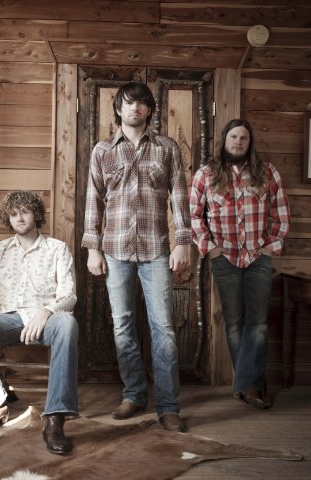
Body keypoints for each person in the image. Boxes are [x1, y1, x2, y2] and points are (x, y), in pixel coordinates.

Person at [82, 81, 190, 432]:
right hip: (114, 251)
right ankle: (134, 394)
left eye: (141, 103)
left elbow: (179, 196)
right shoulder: (102, 151)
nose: (135, 108)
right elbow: (93, 201)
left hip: (156, 250)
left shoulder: (167, 148)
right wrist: (93, 248)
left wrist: (183, 242)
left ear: (149, 110)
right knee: (123, 326)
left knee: (164, 328)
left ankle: (168, 406)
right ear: (118, 109)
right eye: (128, 103)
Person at [0, 191, 79, 455]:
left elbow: (69, 296)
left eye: (25, 211)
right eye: (13, 214)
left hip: (47, 320)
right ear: (8, 218)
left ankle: (55, 419)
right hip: (8, 318)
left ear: (36, 214)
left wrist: (46, 311)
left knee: (67, 324)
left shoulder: (57, 249)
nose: (19, 218)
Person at [189, 118, 290, 410]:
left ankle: (247, 386)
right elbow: (194, 215)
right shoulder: (206, 174)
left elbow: (281, 212)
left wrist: (271, 246)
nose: (238, 142)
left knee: (257, 323)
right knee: (234, 322)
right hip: (225, 258)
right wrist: (210, 249)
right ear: (225, 140)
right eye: (233, 137)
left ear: (250, 142)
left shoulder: (267, 172)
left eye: (243, 138)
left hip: (258, 257)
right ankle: (250, 385)